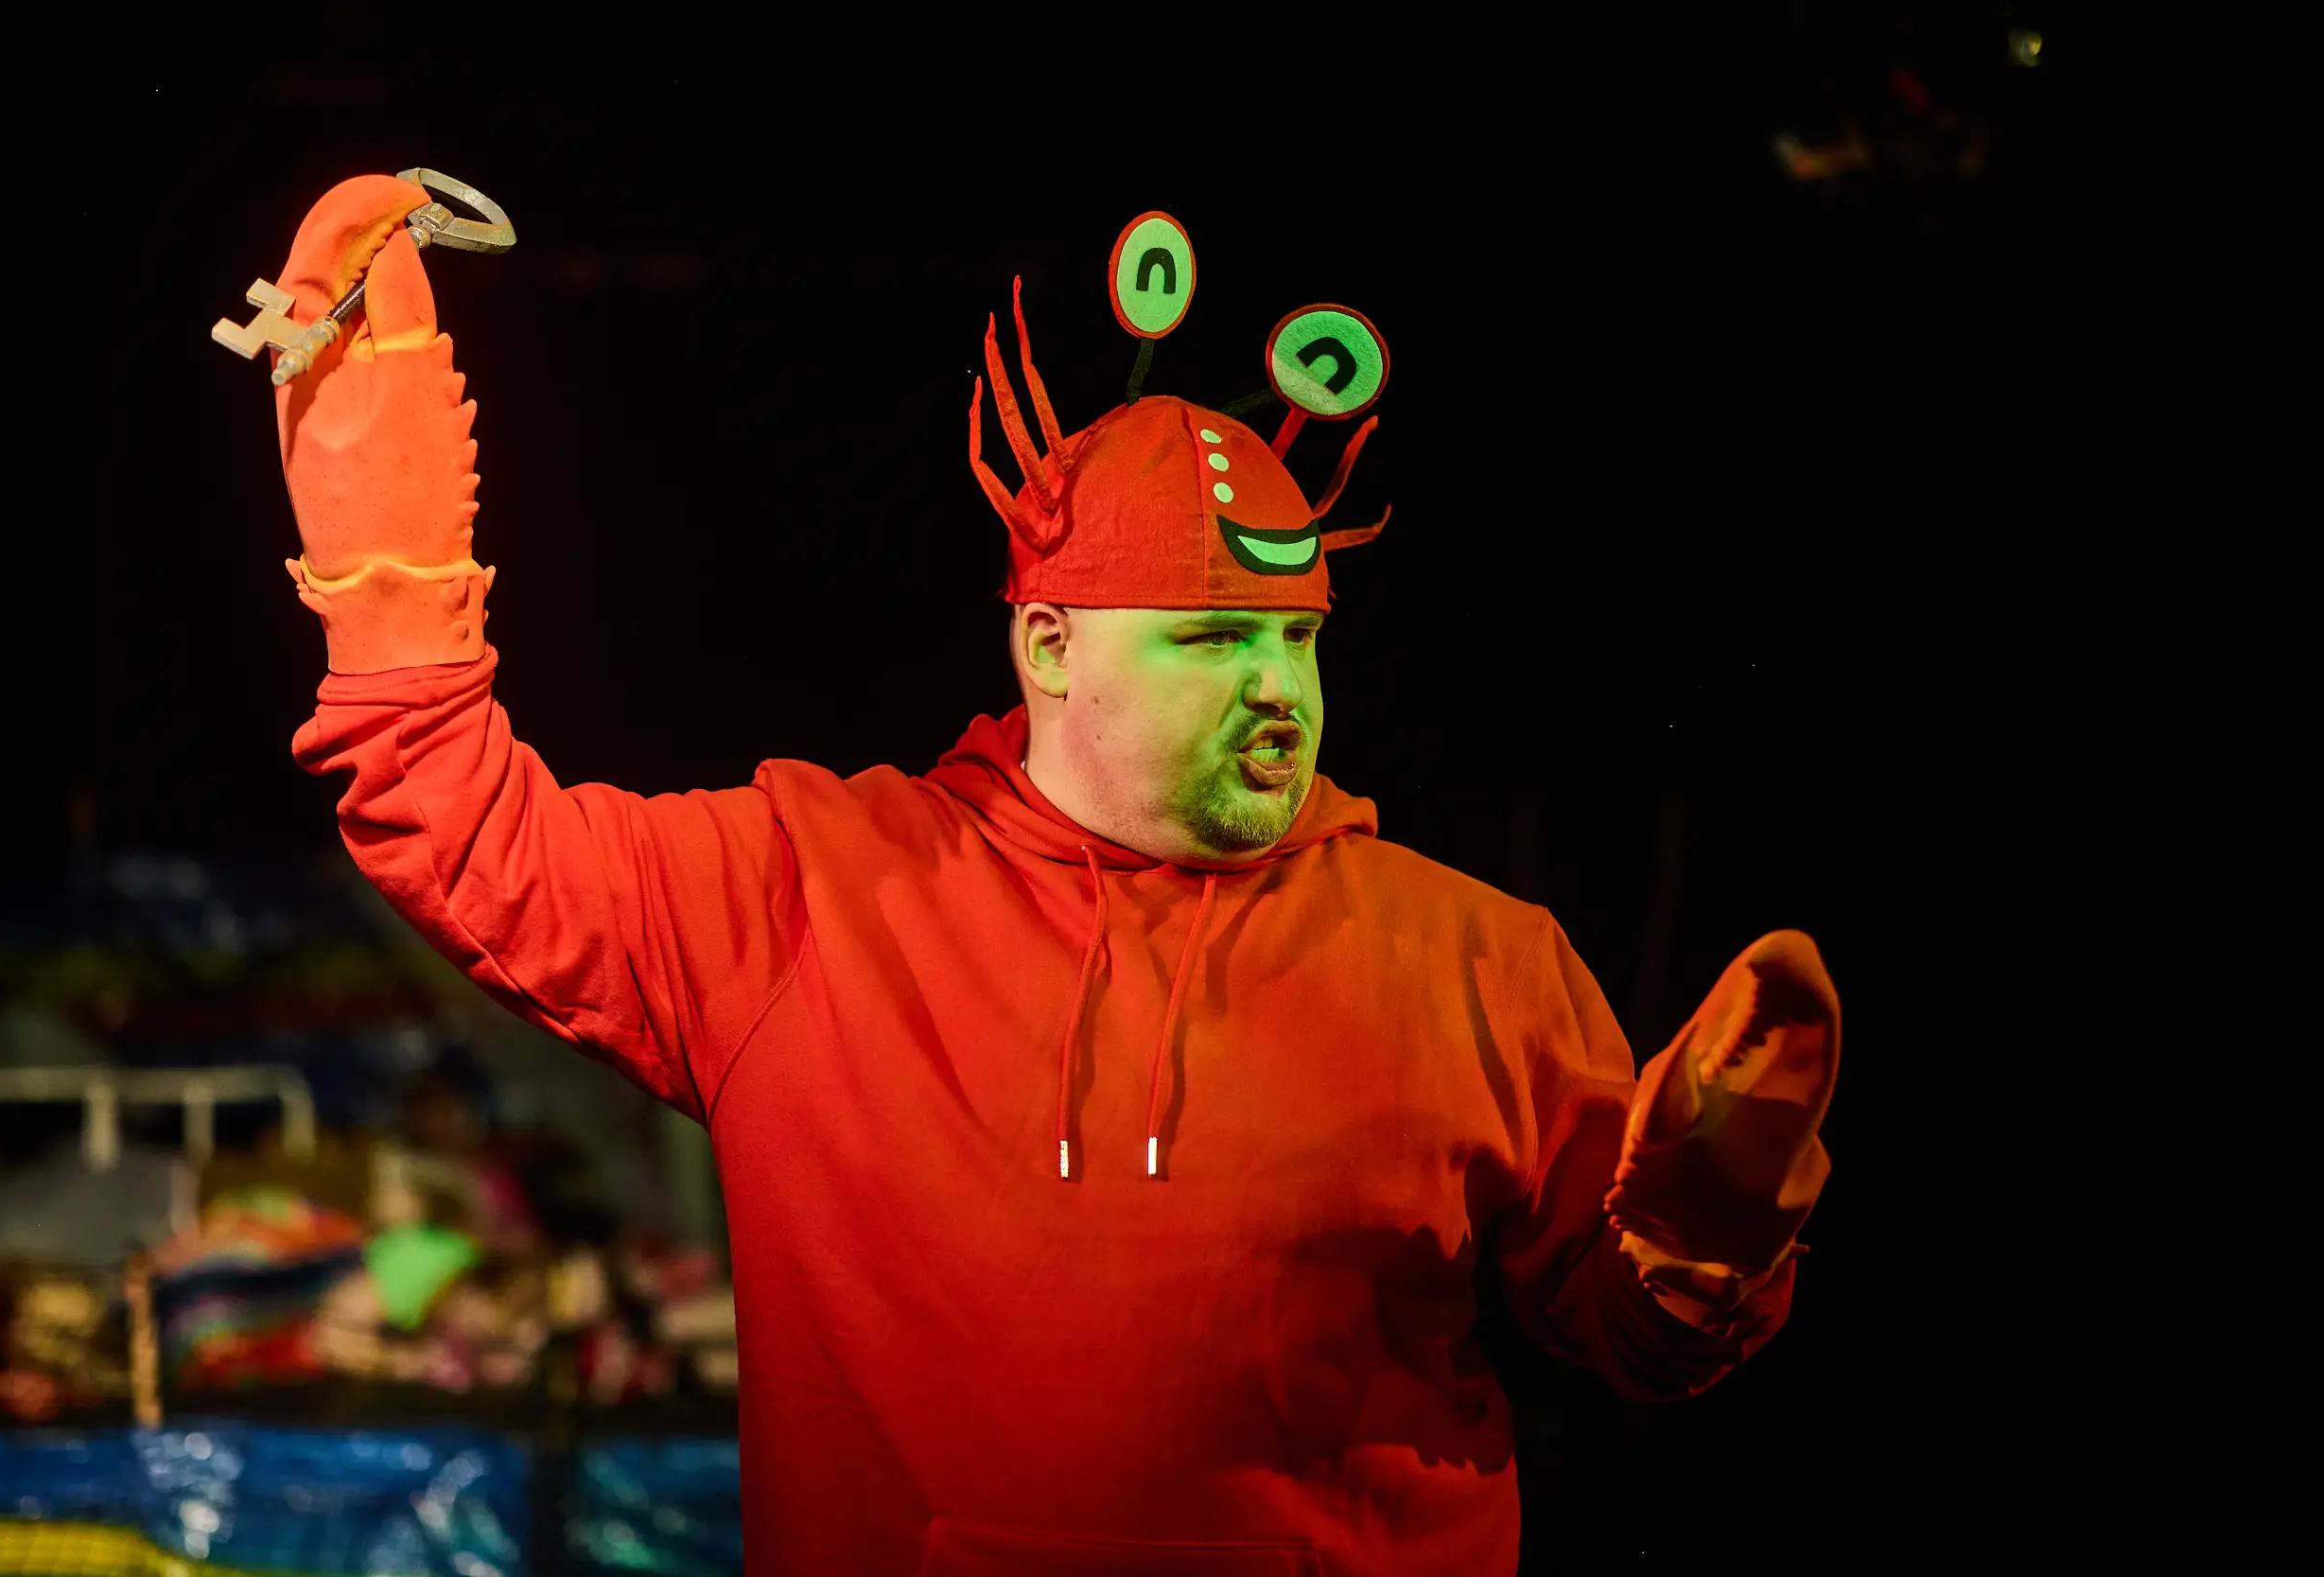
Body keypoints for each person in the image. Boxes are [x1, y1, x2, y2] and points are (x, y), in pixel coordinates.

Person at [260, 175, 1842, 1575]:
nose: (1278, 686)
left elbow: (1632, 1339)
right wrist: (385, 564)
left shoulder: (1475, 960)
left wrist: (1712, 1221)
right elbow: (468, 831)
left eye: (1295, 637)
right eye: (1213, 638)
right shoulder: (810, 894)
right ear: (1050, 646)